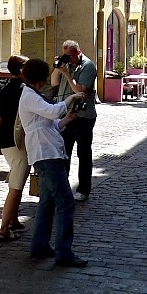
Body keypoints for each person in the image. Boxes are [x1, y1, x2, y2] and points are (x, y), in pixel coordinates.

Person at [19, 58, 88, 267]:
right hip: (46, 155)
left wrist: (67, 119)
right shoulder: (29, 96)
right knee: (66, 202)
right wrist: (70, 99)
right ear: (39, 78)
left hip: (48, 151)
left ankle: (40, 246)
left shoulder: (33, 96)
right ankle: (64, 253)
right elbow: (52, 112)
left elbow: (49, 123)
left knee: (47, 203)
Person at [0, 55, 30, 243]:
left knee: (18, 180)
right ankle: (4, 229)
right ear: (22, 70)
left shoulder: (4, 91)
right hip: (19, 143)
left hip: (6, 143)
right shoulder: (26, 91)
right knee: (15, 187)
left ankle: (13, 220)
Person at [51, 40, 97, 202]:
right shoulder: (65, 64)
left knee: (83, 153)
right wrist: (58, 69)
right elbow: (53, 83)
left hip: (83, 116)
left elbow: (80, 90)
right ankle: (63, 188)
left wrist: (68, 74)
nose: (68, 59)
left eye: (70, 56)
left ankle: (83, 189)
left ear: (78, 52)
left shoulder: (88, 66)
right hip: (65, 115)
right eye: (65, 56)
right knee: (64, 153)